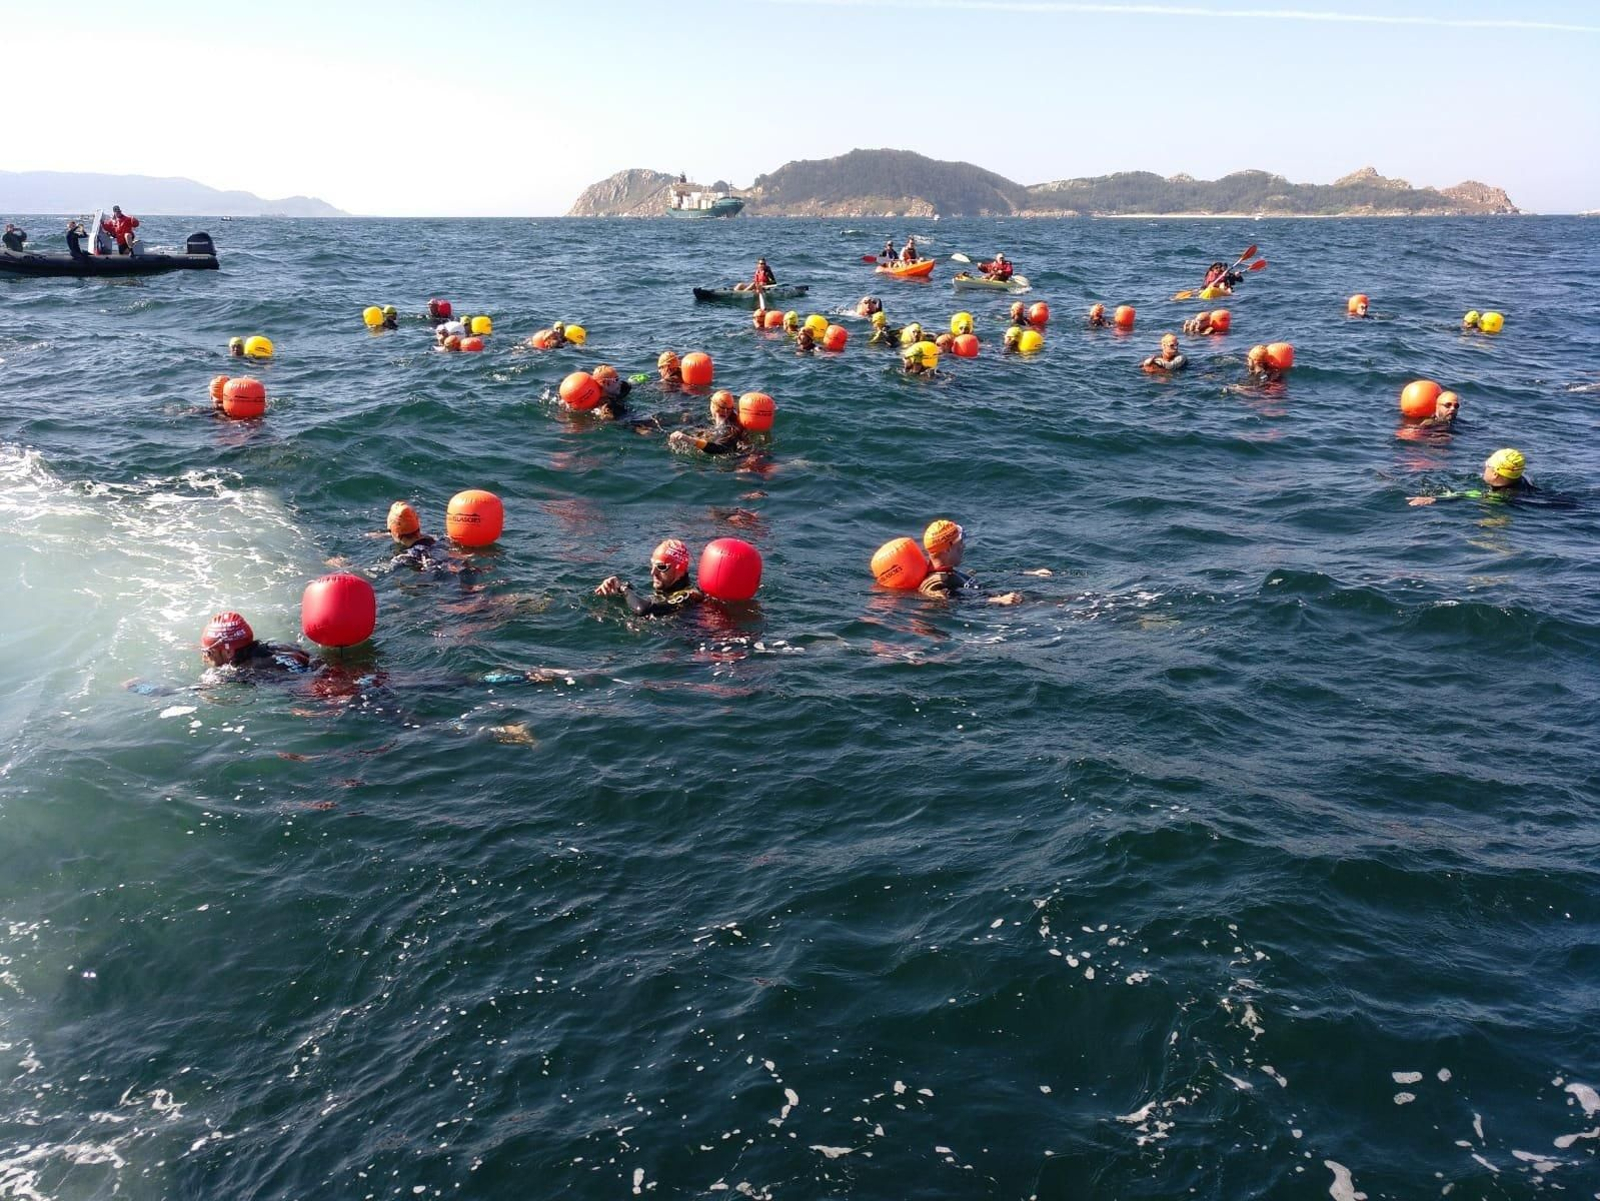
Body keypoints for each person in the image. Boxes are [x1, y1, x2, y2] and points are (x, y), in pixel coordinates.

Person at [917, 521, 1022, 605]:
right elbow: (951, 601)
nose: (963, 546)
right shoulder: (934, 584)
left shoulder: (948, 572)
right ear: (947, 550)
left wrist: (1028, 574)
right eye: (960, 542)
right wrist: (998, 601)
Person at [594, 539, 704, 616]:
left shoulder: (690, 596)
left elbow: (643, 610)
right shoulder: (668, 590)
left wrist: (624, 589)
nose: (652, 572)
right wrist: (617, 589)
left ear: (679, 570)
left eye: (661, 567)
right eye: (652, 565)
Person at [1409, 449, 1537, 506]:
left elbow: (1466, 495)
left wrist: (1435, 499)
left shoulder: (1498, 495)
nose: (1485, 466)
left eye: (1488, 464)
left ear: (1495, 474)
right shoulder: (1522, 479)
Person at [199, 612, 314, 674]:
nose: (204, 657)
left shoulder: (247, 670)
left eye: (208, 652)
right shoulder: (277, 647)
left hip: (317, 693)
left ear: (229, 652)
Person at [667, 391, 750, 456]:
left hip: (737, 458)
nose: (725, 412)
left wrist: (690, 439)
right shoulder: (731, 417)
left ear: (712, 406)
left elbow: (719, 449)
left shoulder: (730, 428)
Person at [384, 501, 453, 571]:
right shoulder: (435, 539)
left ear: (395, 533)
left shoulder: (406, 556)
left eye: (390, 531)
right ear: (418, 525)